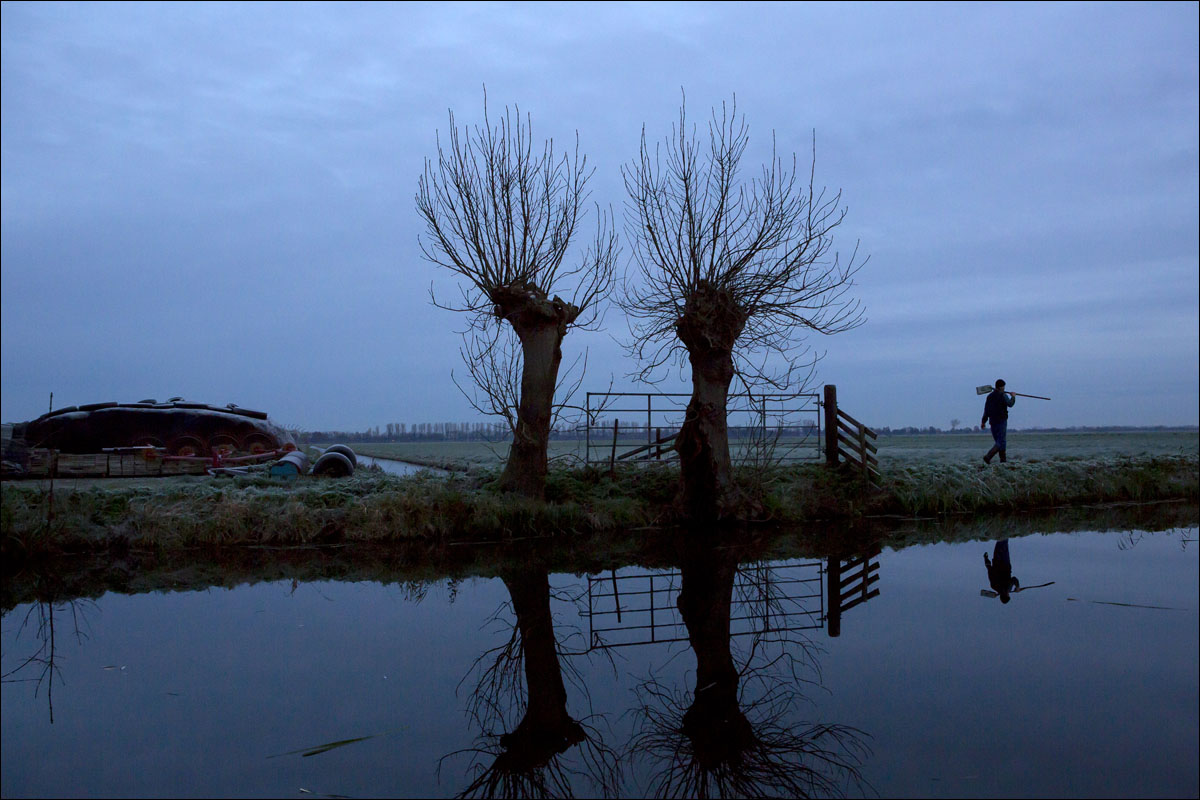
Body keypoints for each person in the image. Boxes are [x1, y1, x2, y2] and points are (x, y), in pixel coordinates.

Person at [980, 379, 1015, 464]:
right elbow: (1010, 404)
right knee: (1001, 441)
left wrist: (983, 422)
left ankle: (1003, 461)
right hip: (1001, 421)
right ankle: (988, 457)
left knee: (999, 442)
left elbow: (986, 410)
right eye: (1003, 387)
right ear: (1000, 387)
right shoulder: (1003, 395)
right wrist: (1013, 396)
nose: (1004, 388)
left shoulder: (989, 396)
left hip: (992, 421)